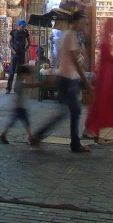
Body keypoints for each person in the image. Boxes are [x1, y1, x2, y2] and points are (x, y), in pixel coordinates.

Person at [31, 11, 93, 154]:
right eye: (82, 22)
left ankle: (39, 136)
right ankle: (74, 144)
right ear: (76, 21)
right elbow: (75, 62)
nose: (83, 25)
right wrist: (87, 82)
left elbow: (62, 58)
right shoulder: (70, 36)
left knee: (66, 112)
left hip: (64, 77)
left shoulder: (64, 36)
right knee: (72, 112)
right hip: (69, 79)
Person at [0, 64, 34, 144]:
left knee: (16, 122)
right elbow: (25, 87)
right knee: (25, 123)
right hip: (19, 107)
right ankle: (31, 138)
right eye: (27, 74)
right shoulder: (19, 83)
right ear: (22, 74)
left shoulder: (20, 82)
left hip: (20, 106)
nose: (28, 76)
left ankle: (3, 135)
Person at [6, 19, 31, 94]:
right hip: (14, 54)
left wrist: (25, 49)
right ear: (19, 26)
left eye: (24, 26)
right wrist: (13, 51)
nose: (23, 28)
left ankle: (17, 88)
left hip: (21, 54)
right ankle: (8, 88)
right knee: (12, 71)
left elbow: (29, 42)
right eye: (22, 26)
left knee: (20, 72)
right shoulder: (13, 32)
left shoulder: (25, 32)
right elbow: (9, 43)